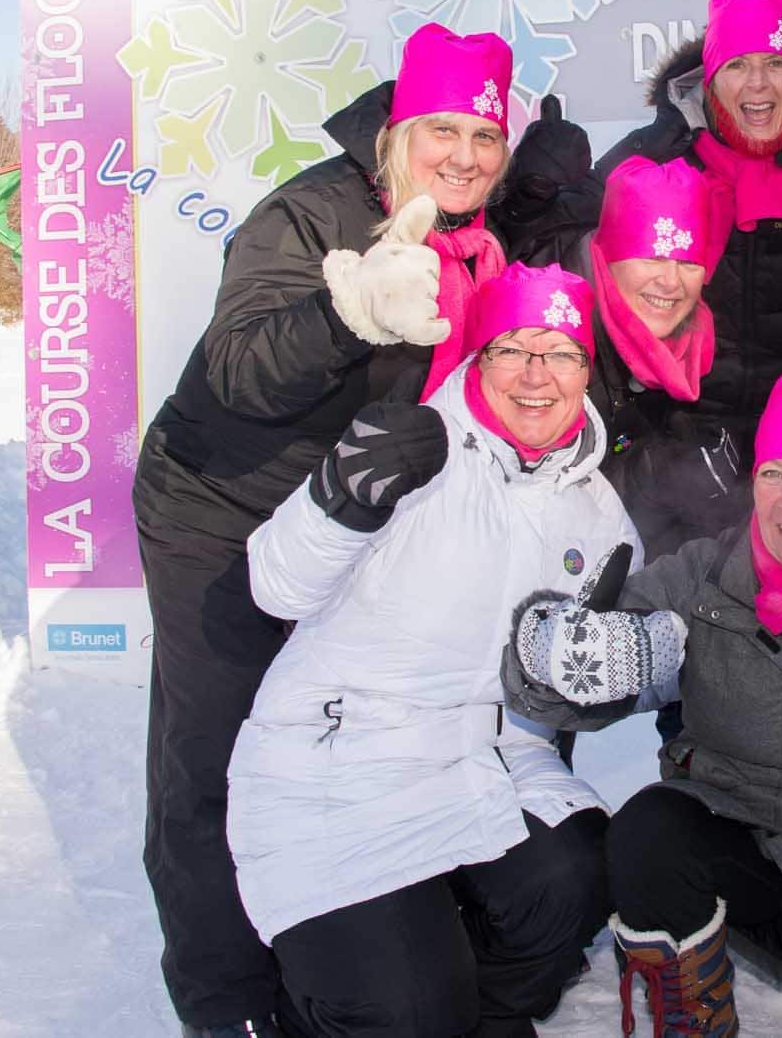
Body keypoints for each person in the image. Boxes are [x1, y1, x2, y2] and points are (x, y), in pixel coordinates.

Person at [133, 23, 520, 1037]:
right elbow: (236, 365)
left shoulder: (474, 223)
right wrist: (346, 314)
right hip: (220, 506)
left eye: (487, 135)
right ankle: (227, 1003)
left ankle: (329, 969)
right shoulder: (310, 214)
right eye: (444, 128)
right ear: (398, 129)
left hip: (340, 514)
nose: (467, 154)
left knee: (342, 739)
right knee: (214, 758)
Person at [228, 262, 638, 1037]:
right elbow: (274, 586)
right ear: (477, 357)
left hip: (488, 758)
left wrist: (613, 669)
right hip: (339, 762)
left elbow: (585, 677)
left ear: (589, 370)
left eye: (561, 353)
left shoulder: (599, 511)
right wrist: (340, 493)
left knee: (584, 870)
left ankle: (483, 1014)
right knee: (406, 1010)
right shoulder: (417, 448)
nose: (536, 375)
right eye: (512, 348)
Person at [504, 365, 782, 1037]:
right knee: (647, 831)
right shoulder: (706, 573)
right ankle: (692, 1016)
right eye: (775, 472)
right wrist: (561, 652)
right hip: (738, 836)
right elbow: (552, 673)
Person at [593, 0, 782, 742]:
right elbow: (576, 271)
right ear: (706, 80)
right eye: (738, 66)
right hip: (688, 457)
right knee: (696, 663)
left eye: (774, 64)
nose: (758, 84)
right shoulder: (656, 155)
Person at [568, 155, 728, 557]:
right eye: (652, 257)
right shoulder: (559, 346)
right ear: (609, 258)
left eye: (688, 262)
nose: (671, 282)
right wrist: (647, 478)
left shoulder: (692, 342)